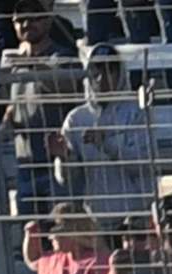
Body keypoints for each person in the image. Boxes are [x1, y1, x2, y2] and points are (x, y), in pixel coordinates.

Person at [57, 43, 154, 225]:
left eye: (110, 71)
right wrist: (64, 158)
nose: (102, 79)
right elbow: (66, 179)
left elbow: (145, 164)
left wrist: (107, 145)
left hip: (136, 218)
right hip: (97, 219)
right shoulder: (76, 118)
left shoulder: (137, 111)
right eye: (96, 72)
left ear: (120, 74)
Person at [0, 0, 80, 215]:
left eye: (34, 18)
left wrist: (33, 66)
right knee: (31, 230)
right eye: (20, 19)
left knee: (61, 229)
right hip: (25, 163)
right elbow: (15, 99)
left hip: (57, 164)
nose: (27, 24)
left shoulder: (61, 56)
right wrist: (8, 119)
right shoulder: (15, 59)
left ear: (48, 21)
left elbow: (69, 86)